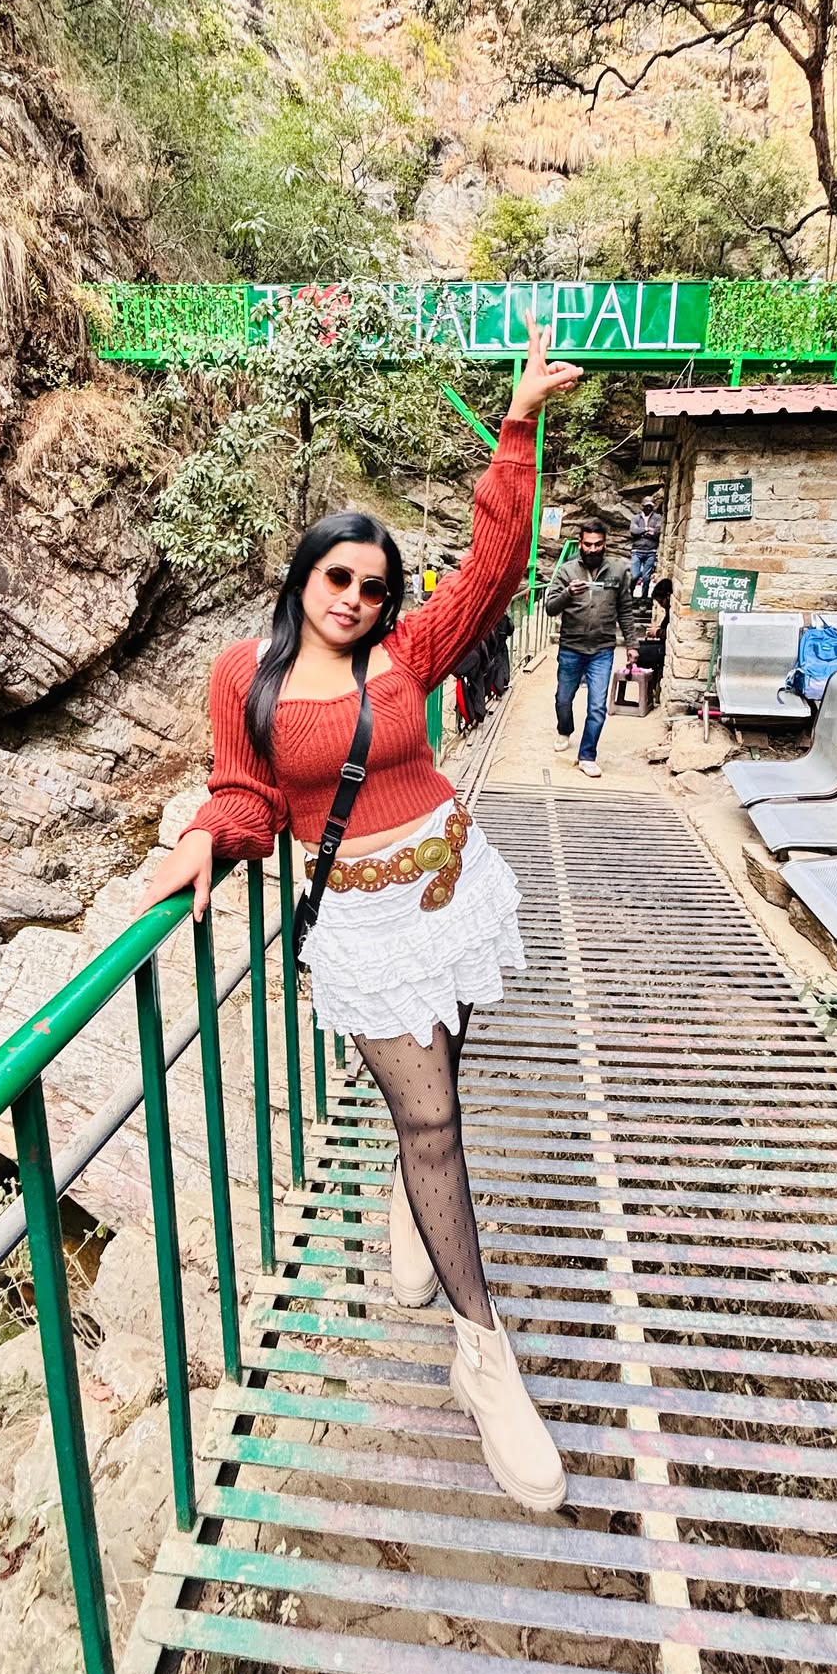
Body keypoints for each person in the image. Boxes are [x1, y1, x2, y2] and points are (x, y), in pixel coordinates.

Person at [133, 314, 580, 1513]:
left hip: (451, 887)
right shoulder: (245, 673)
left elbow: (493, 570)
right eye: (338, 577)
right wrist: (202, 836)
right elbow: (246, 795)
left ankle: (411, 1193)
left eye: (374, 586)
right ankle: (486, 1358)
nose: (356, 597)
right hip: (365, 922)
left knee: (438, 1093)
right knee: (431, 1116)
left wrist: (516, 431)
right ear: (303, 577)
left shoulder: (410, 653)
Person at [545, 518, 638, 776]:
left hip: (602, 649)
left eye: (598, 544)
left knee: (597, 706)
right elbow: (550, 607)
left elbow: (625, 610)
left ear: (605, 543)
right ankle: (565, 729)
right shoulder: (566, 571)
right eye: (588, 544)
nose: (593, 549)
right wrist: (567, 594)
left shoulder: (618, 571)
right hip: (571, 647)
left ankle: (587, 755)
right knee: (563, 698)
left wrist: (632, 644)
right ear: (580, 543)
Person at [635, 577, 673, 687]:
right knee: (638, 646)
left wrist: (657, 632)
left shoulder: (672, 611)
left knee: (641, 653)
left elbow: (670, 634)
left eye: (661, 601)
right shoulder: (669, 611)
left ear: (667, 596)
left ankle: (649, 686)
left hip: (666, 648)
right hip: (663, 644)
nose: (661, 605)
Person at [629, 496, 662, 597]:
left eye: (650, 506)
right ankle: (630, 595)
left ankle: (644, 599)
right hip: (637, 550)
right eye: (646, 506)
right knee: (634, 576)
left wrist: (641, 532)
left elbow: (657, 532)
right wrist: (647, 529)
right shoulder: (636, 518)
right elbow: (633, 531)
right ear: (642, 506)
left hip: (651, 551)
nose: (648, 508)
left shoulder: (657, 517)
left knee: (646, 578)